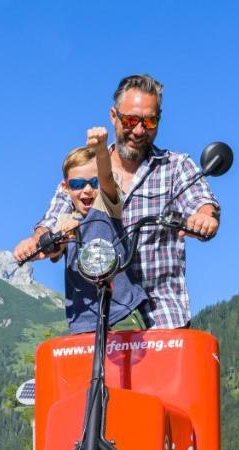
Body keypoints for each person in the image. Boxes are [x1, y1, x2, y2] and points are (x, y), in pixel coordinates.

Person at [14, 74, 220, 329]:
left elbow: (201, 201)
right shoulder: (84, 173)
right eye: (131, 120)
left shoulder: (176, 167)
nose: (139, 130)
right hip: (100, 317)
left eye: (150, 121)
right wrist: (39, 240)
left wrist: (204, 217)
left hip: (163, 318)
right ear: (114, 116)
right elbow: (53, 220)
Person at [54, 126, 149, 332]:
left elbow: (106, 177)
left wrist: (101, 151)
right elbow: (52, 252)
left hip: (121, 314)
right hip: (83, 322)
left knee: (130, 364)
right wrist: (60, 237)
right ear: (65, 187)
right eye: (78, 184)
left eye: (93, 182)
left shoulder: (107, 206)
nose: (87, 189)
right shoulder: (64, 220)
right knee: (88, 365)